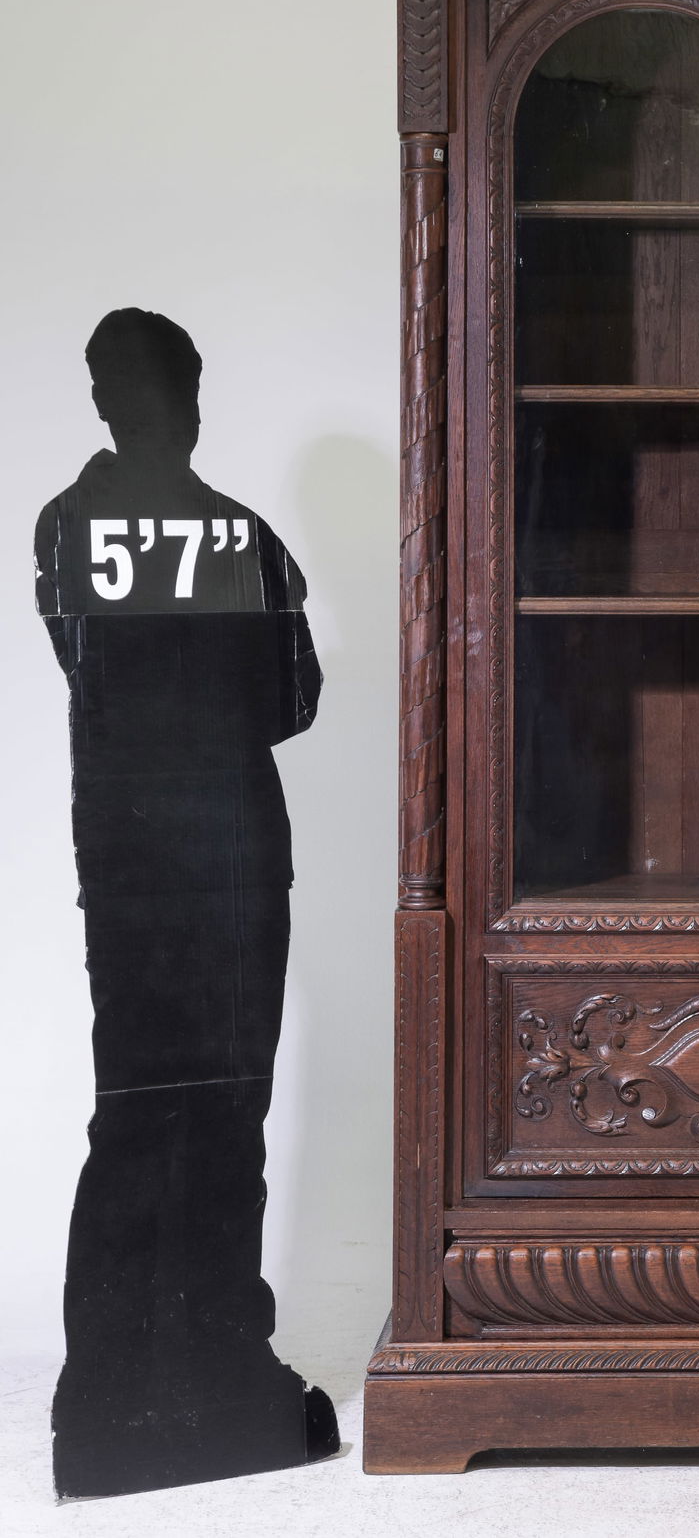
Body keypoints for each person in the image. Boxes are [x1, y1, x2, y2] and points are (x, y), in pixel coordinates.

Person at [35, 308, 338, 1498]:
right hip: (232, 851)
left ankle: (115, 1394)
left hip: (127, 850)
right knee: (220, 1110)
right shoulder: (242, 535)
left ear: (105, 400)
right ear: (185, 398)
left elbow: (82, 662)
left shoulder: (66, 526)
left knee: (140, 1106)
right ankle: (213, 1373)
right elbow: (291, 699)